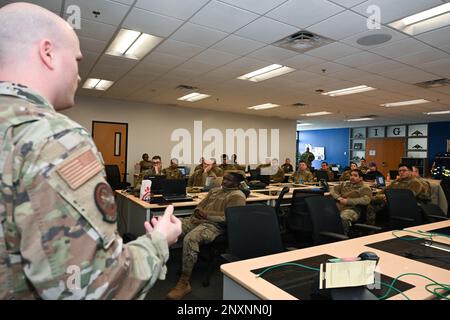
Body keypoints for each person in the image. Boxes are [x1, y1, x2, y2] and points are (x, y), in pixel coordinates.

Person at [0, 3, 182, 299]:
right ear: (47, 53)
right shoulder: (53, 138)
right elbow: (91, 287)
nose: (79, 74)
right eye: (76, 59)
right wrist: (160, 240)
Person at [167, 172, 247, 300]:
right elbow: (200, 204)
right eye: (224, 178)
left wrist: (207, 215)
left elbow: (231, 218)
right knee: (169, 226)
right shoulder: (215, 191)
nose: (224, 181)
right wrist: (198, 211)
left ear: (237, 183)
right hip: (196, 220)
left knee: (190, 239)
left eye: (229, 180)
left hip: (213, 226)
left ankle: (184, 282)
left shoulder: (237, 196)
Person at [330, 170, 372, 234]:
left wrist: (348, 201)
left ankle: (343, 236)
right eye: (351, 175)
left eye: (355, 176)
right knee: (324, 213)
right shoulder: (345, 184)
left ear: (361, 178)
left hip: (353, 209)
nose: (352, 177)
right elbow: (333, 190)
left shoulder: (364, 188)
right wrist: (338, 197)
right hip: (340, 206)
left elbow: (366, 200)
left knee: (344, 217)